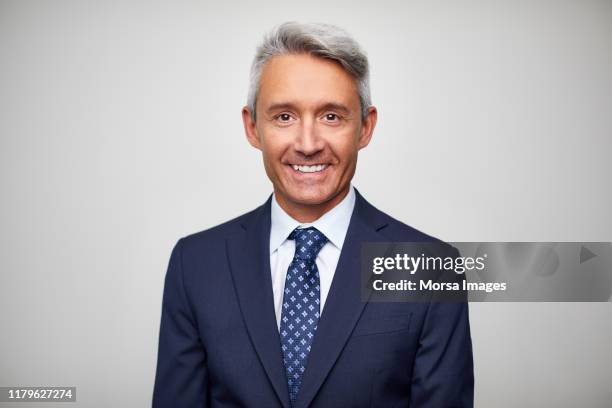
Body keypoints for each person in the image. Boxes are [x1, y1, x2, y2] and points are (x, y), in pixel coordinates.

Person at [153, 21, 474, 407]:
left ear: (365, 127)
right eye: (284, 117)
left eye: (331, 117)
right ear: (253, 127)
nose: (307, 144)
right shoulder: (196, 264)